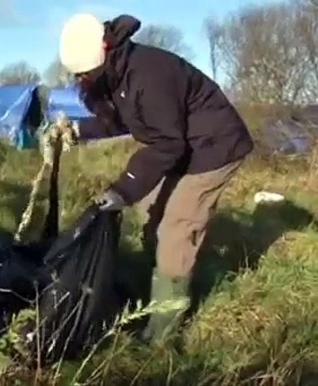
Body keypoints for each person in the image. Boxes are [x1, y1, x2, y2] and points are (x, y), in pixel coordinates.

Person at [58, 13, 254, 344]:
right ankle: (158, 278)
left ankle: (161, 333)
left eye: (84, 74)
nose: (81, 80)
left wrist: (123, 188)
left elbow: (167, 142)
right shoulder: (117, 74)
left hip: (214, 147)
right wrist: (78, 131)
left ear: (100, 55)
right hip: (181, 144)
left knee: (176, 226)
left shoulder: (149, 74)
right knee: (149, 207)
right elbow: (124, 122)